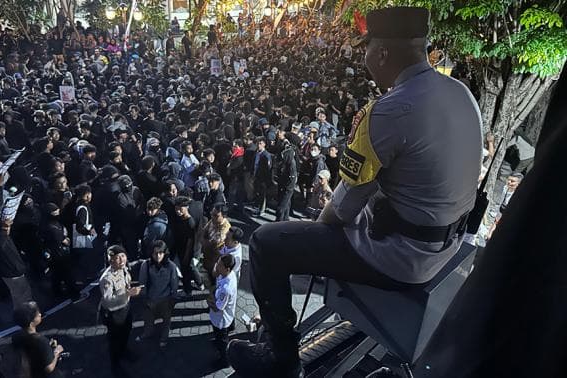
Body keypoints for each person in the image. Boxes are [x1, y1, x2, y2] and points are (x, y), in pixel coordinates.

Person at [227, 7, 482, 377]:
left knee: (268, 243)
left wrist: (314, 235)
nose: (362, 56)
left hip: (402, 259)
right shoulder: (461, 94)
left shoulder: (387, 112)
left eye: (366, 48)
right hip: (448, 248)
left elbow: (340, 211)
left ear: (381, 53)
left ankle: (280, 359)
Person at [99, 245, 141, 376]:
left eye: (123, 256)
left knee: (126, 332)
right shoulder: (106, 278)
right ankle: (115, 365)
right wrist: (128, 294)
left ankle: (124, 351)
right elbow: (108, 300)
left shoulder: (124, 268)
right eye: (117, 258)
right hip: (114, 313)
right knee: (114, 340)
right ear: (111, 260)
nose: (121, 260)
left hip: (125, 308)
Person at [137, 240, 178, 348]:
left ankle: (164, 338)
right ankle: (147, 333)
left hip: (165, 299)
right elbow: (142, 284)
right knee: (148, 320)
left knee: (166, 321)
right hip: (150, 299)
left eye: (160, 253)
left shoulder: (171, 266)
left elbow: (174, 284)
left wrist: (173, 299)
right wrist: (145, 300)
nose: (158, 256)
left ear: (165, 253)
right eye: (155, 253)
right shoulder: (145, 265)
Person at [12, 301, 64, 378]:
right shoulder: (41, 341)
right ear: (31, 323)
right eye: (37, 315)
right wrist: (56, 352)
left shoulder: (16, 337)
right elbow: (49, 368)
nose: (40, 314)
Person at [207, 254, 237, 368]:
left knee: (222, 340)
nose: (217, 266)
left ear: (227, 269)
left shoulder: (226, 289)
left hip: (221, 320)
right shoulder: (228, 274)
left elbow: (218, 307)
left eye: (219, 265)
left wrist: (209, 300)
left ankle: (225, 360)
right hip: (227, 314)